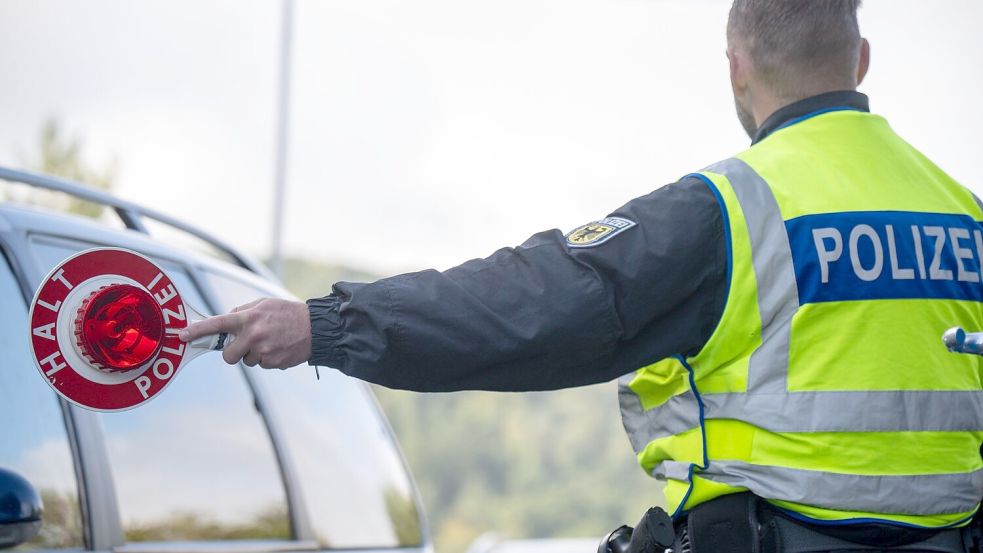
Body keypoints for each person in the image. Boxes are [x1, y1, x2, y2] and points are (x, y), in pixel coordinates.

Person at [182, 1, 983, 551]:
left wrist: (324, 324)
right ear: (861, 59)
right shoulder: (963, 213)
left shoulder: (728, 210)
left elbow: (525, 306)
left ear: (735, 68)